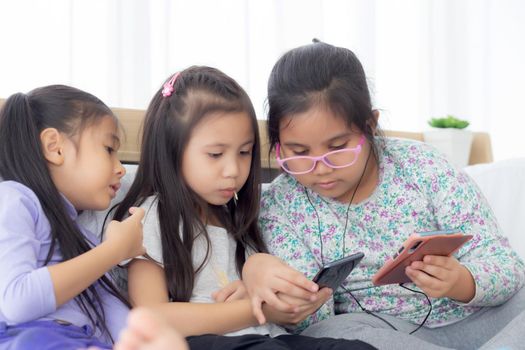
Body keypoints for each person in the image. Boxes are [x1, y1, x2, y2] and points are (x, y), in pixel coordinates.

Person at [241, 41, 525, 350]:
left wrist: (463, 282)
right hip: (384, 332)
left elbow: (506, 265)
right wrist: (297, 297)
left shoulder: (423, 166)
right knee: (331, 332)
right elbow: (311, 320)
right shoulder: (281, 204)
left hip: (481, 318)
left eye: (338, 148)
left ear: (370, 125)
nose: (320, 169)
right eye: (299, 153)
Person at [112, 66, 375, 350]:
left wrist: (284, 298)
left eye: (244, 152)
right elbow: (150, 316)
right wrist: (254, 308)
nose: (233, 170)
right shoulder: (149, 217)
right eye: (215, 154)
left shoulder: (239, 218)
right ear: (171, 149)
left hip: (269, 337)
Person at [0, 85, 145, 349]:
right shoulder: (15, 199)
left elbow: (122, 327)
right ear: (55, 147)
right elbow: (15, 302)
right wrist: (115, 250)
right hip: (29, 338)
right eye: (109, 149)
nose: (121, 169)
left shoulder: (87, 241)